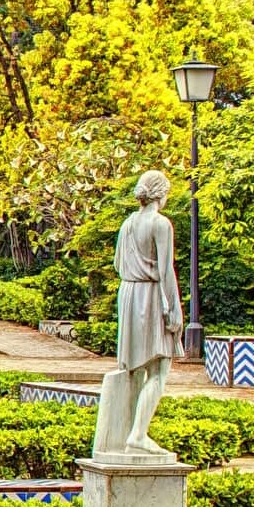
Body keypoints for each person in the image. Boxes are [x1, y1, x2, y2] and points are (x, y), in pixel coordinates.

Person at [96, 169, 183, 457]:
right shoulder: (160, 224)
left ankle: (127, 432)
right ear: (161, 193)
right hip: (149, 294)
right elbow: (166, 270)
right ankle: (137, 434)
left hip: (129, 293)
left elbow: (119, 264)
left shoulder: (128, 224)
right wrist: (175, 308)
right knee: (158, 369)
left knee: (133, 369)